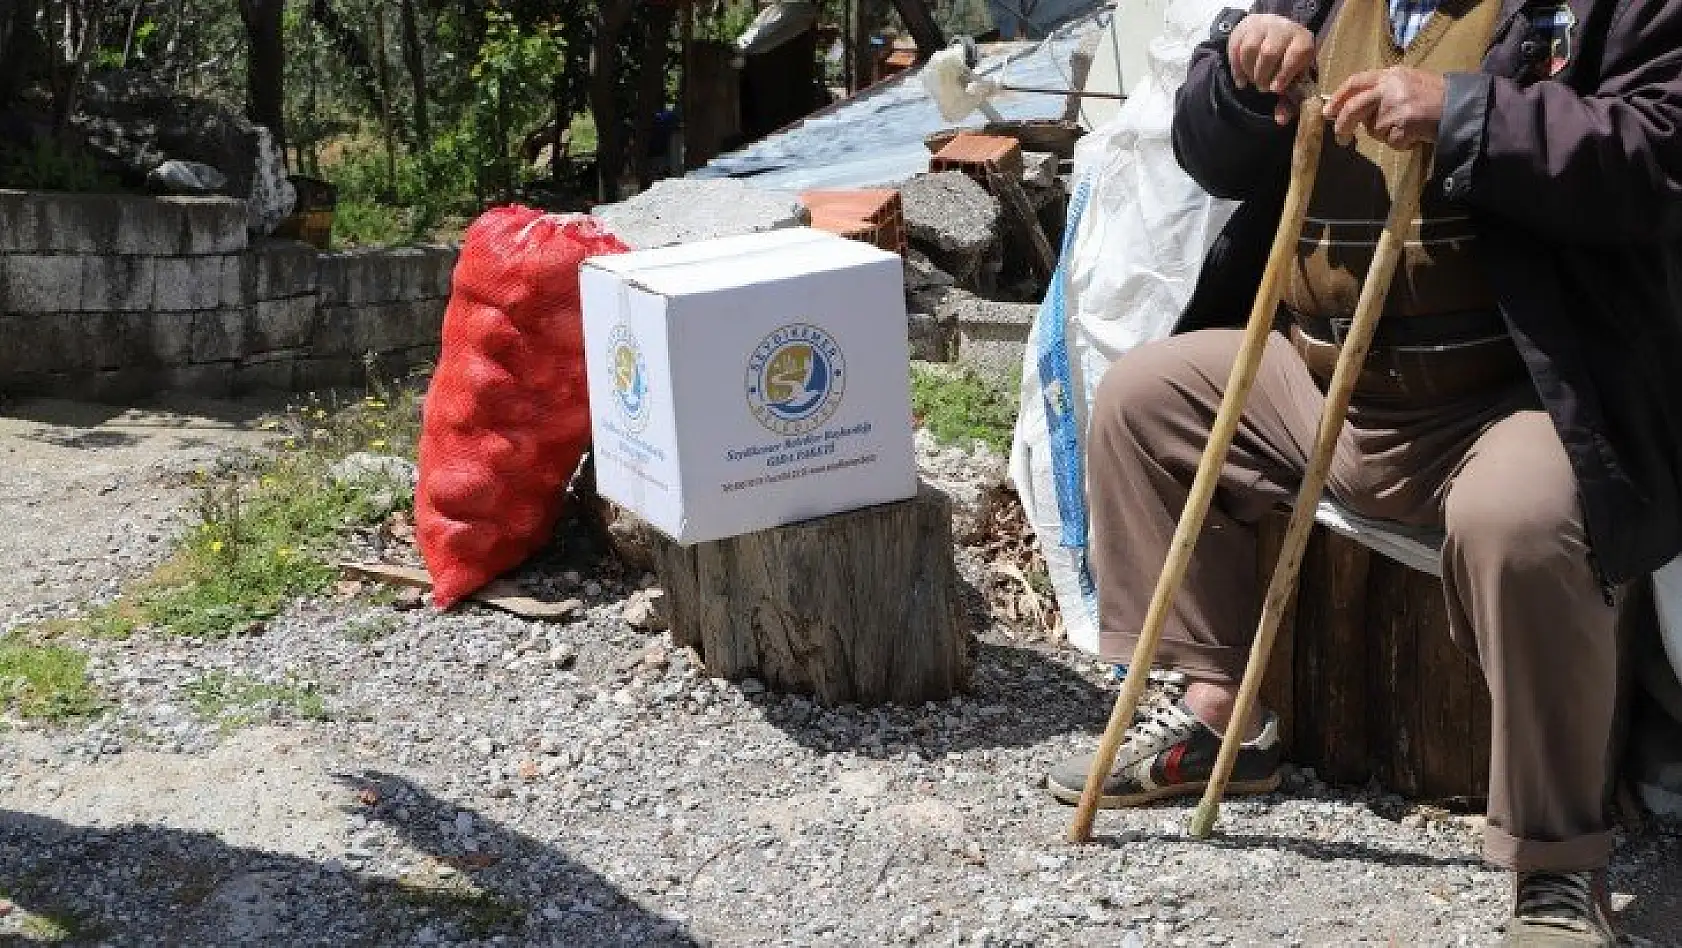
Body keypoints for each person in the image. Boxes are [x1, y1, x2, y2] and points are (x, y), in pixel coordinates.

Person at [1042, 0, 1682, 943]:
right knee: (1148, 401)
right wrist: (1236, 77)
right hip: (1317, 378)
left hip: (1509, 396)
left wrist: (1465, 114)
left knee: (1523, 526)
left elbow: (1659, 156)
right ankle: (1223, 722)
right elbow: (1209, 153)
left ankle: (1556, 863)